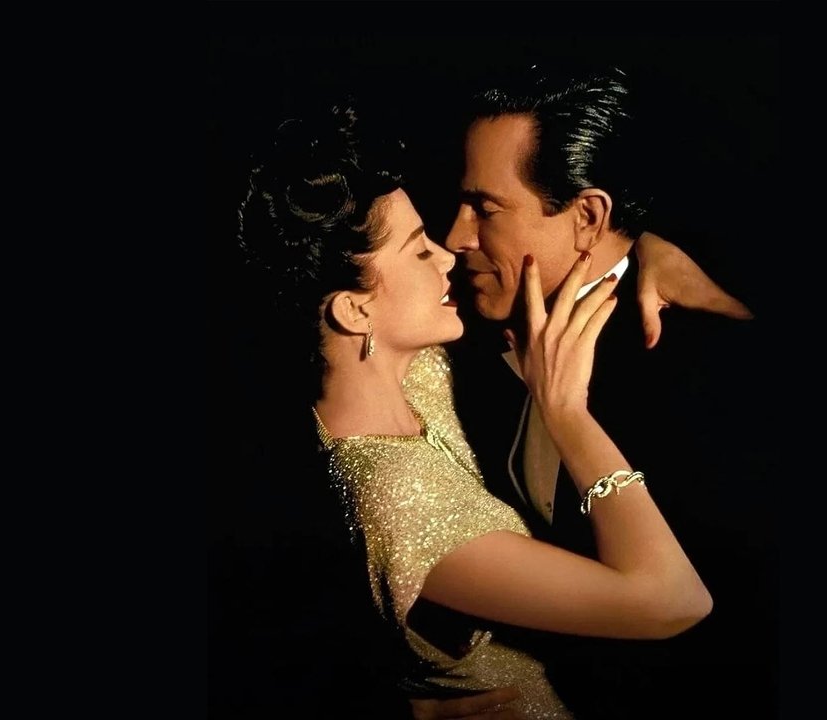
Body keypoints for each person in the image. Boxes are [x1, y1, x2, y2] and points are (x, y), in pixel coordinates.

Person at [234, 103, 735, 719]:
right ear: (355, 310)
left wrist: (644, 245)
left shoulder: (418, 365)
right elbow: (673, 602)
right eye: (420, 251)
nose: (450, 248)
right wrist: (566, 413)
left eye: (483, 208)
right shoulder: (400, 501)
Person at [421, 66, 775, 719]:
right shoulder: (454, 331)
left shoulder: (706, 358)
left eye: (486, 209)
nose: (455, 237)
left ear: (588, 215)